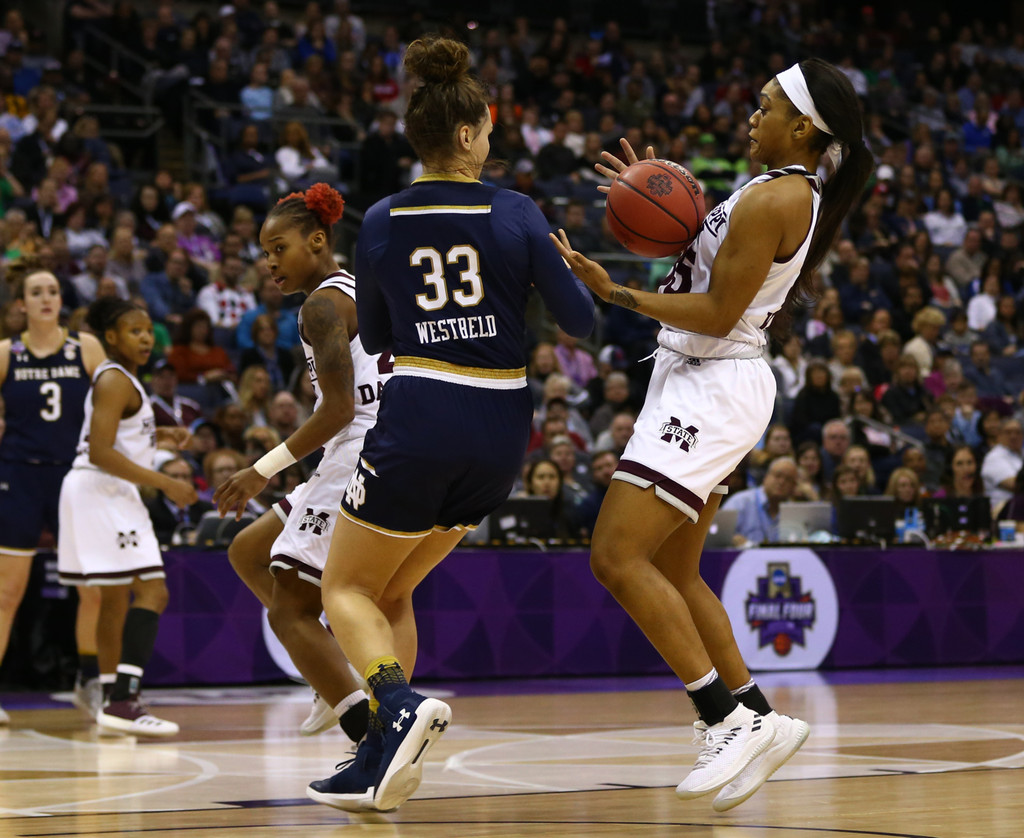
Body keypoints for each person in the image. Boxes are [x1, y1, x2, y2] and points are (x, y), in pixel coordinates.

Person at [550, 56, 871, 809]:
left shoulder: (780, 197)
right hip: (706, 380)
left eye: (764, 107)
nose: (750, 116)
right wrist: (652, 190)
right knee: (677, 567)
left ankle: (722, 718)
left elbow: (720, 312)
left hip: (712, 382)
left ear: (802, 126)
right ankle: (756, 712)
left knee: (615, 555)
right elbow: (709, 265)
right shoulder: (771, 192)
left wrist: (616, 290)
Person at [307, 35, 594, 814]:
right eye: (490, 130)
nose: (492, 139)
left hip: (425, 411)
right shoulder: (518, 211)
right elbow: (581, 324)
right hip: (503, 429)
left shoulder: (382, 219)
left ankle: (394, 708)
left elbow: (375, 337)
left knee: (343, 588)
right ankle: (383, 759)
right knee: (392, 588)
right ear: (468, 133)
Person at [215, 184, 387, 748]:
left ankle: (370, 738)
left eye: (278, 248)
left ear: (317, 240)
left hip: (356, 452)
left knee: (288, 610)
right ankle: (325, 671)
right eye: (264, 253)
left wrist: (260, 468)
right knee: (247, 550)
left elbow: (340, 409)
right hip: (371, 448)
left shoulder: (322, 304)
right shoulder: (356, 291)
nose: (269, 263)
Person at [56, 297, 197, 736]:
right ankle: (124, 698)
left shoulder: (127, 381)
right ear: (111, 338)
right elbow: (100, 451)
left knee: (116, 599)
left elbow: (118, 440)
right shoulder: (116, 380)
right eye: (133, 331)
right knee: (153, 592)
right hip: (104, 491)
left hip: (95, 490)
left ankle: (112, 695)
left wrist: (162, 436)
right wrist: (166, 482)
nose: (145, 337)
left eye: (147, 329)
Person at [0, 265, 106, 726]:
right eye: (36, 292)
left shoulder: (84, 347)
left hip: (74, 475)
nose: (46, 298)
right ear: (20, 304)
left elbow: (114, 403)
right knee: (7, 592)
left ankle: (90, 681)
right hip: (19, 475)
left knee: (92, 585)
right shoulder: (6, 353)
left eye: (53, 291)